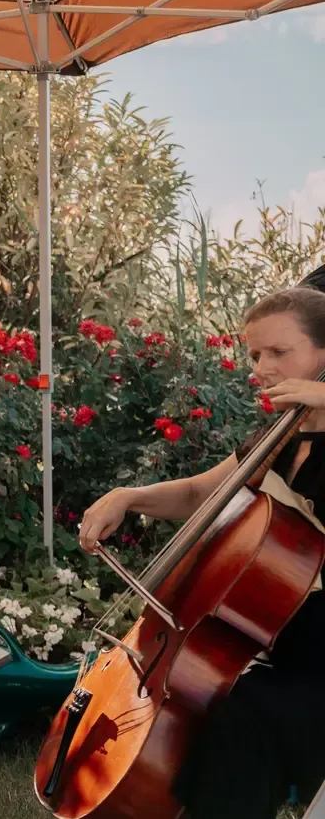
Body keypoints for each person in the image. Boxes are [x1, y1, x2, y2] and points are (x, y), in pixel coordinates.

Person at [78, 286, 325, 819]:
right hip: (283, 650)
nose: (261, 367)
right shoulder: (280, 437)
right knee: (227, 712)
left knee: (245, 716)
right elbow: (201, 494)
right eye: (255, 354)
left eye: (279, 352)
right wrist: (129, 496)